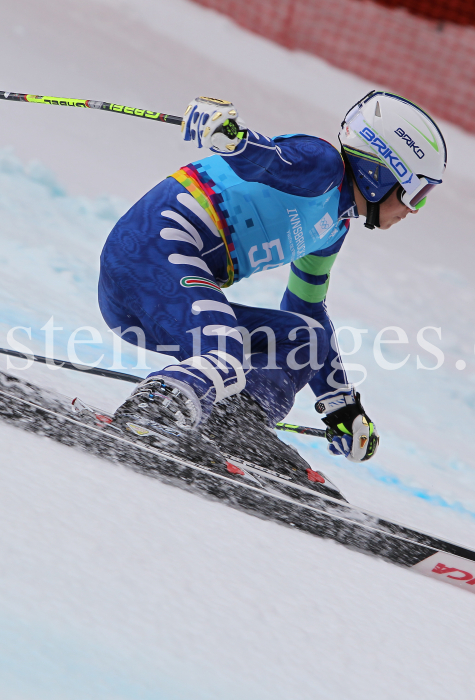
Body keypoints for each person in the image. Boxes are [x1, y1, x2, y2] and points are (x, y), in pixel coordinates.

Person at [98, 90, 447, 494]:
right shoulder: (322, 166)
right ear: (382, 173)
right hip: (146, 259)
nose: (413, 209)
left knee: (305, 338)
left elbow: (307, 306)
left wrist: (340, 403)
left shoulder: (333, 228)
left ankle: (232, 426)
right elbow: (268, 159)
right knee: (223, 353)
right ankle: (153, 411)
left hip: (168, 300)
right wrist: (233, 137)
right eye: (416, 193)